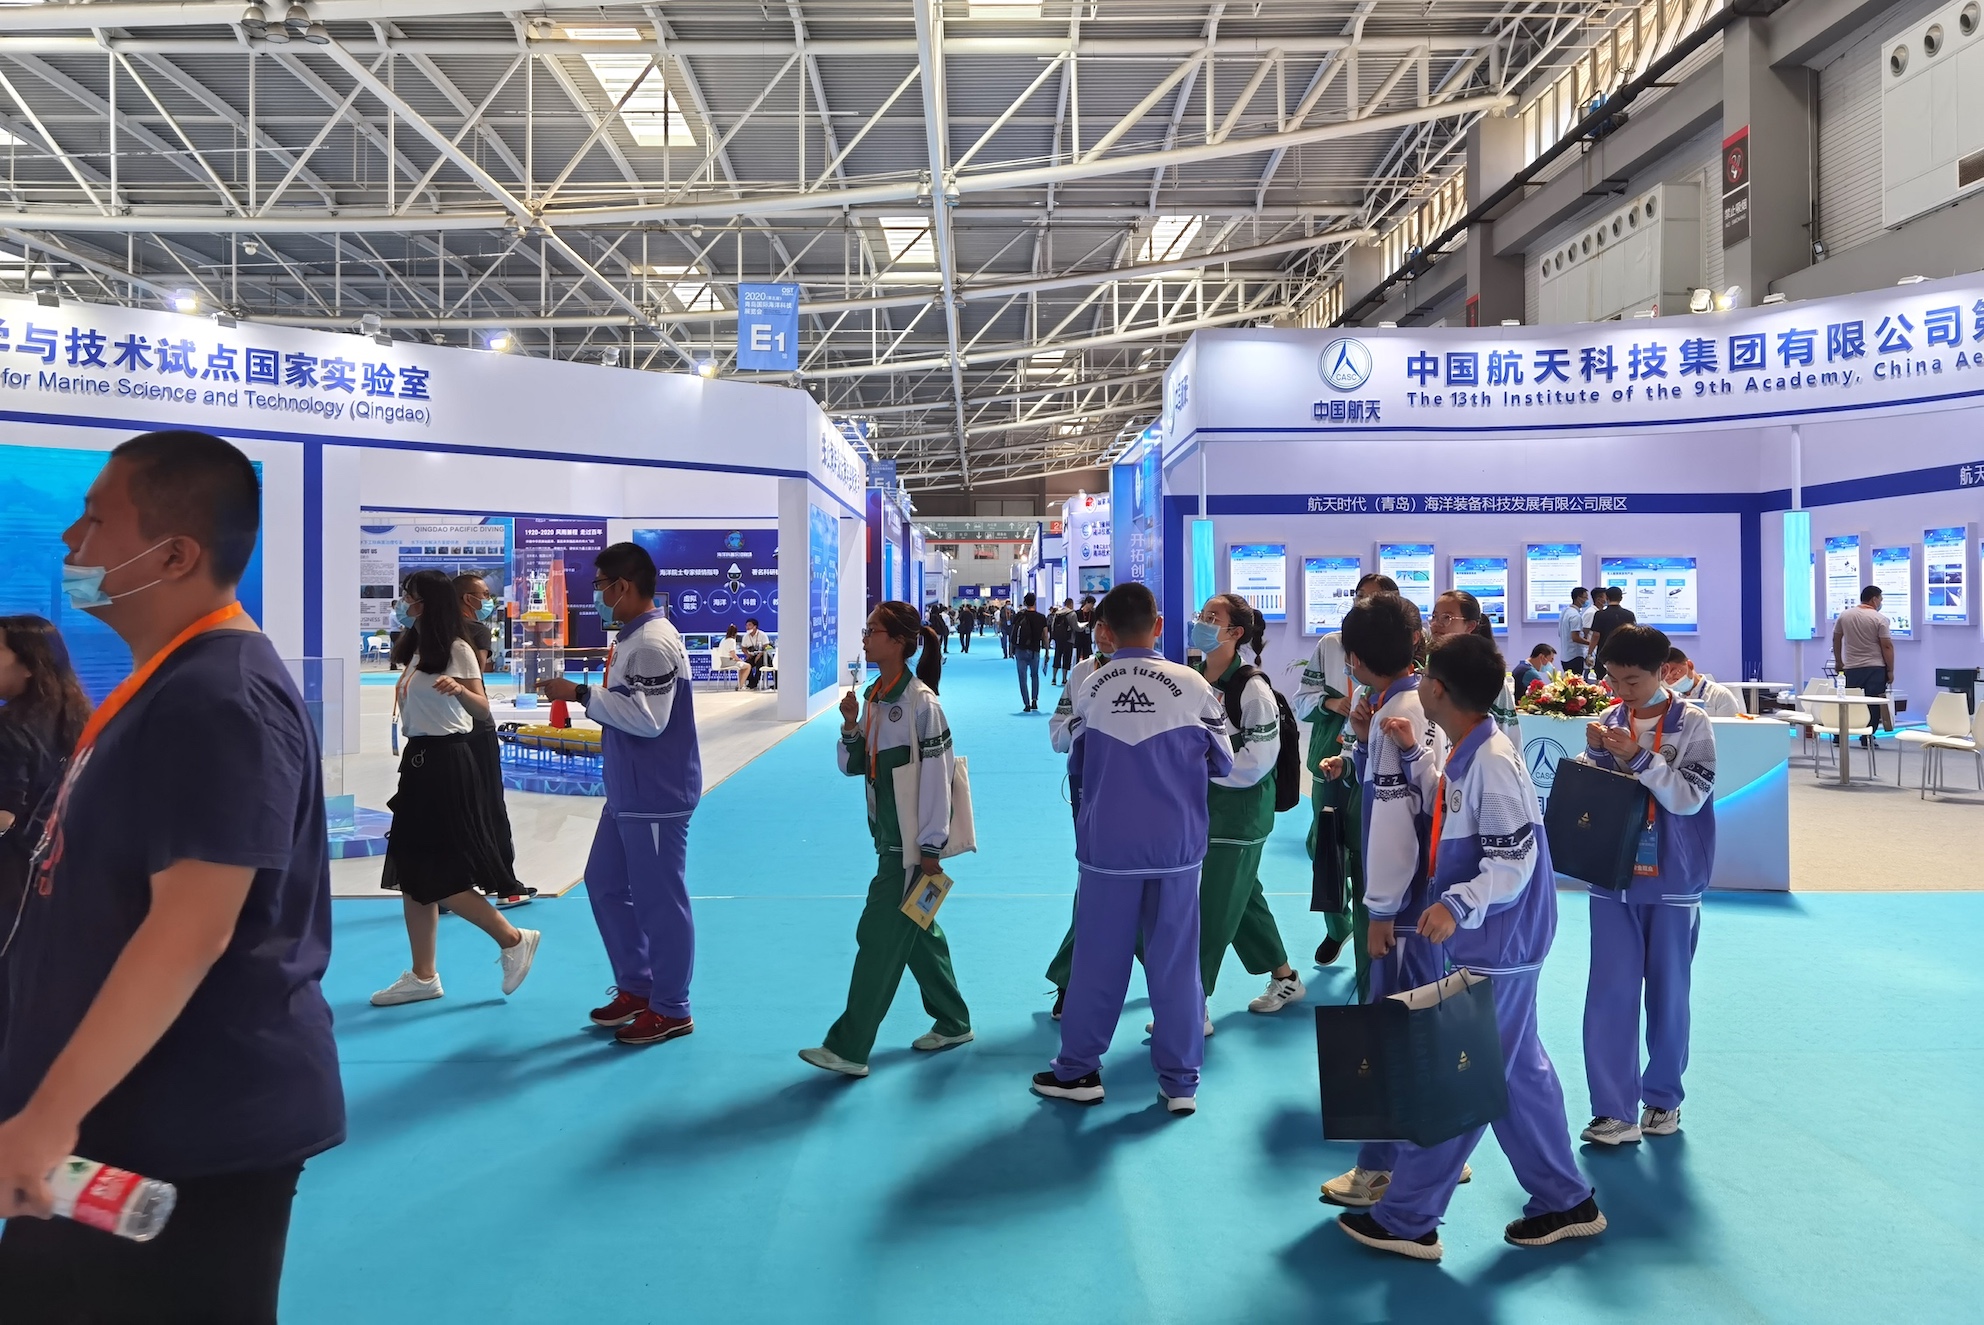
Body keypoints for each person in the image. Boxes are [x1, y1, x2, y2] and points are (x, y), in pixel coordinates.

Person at [0, 431, 344, 1320]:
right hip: (114, 1116)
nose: (70, 540)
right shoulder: (168, 685)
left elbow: (190, 928)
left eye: (95, 519)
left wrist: (50, 1113)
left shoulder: (219, 697)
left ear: (175, 555)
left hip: (183, 1129)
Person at [1337, 633, 1603, 1261]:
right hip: (1498, 938)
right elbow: (1451, 807)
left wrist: (1458, 904)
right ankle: (1566, 1199)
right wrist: (1414, 757)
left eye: (1426, 675)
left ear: (1438, 690)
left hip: (1501, 940)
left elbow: (1514, 859)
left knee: (1463, 1075)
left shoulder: (1493, 760)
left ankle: (1409, 1218)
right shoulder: (1470, 751)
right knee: (1518, 1073)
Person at [1034, 582, 1230, 1115]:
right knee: (1177, 964)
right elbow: (1225, 761)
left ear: (1103, 630)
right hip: (1177, 848)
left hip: (1108, 850)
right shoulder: (1193, 685)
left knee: (1097, 961)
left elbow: (1073, 756)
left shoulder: (1091, 687)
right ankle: (1180, 1082)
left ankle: (1078, 1070)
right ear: (1159, 626)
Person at [540, 543, 703, 1046]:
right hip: (629, 791)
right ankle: (638, 985)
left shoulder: (650, 643)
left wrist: (580, 694)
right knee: (605, 884)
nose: (596, 596)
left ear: (622, 586)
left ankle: (671, 1006)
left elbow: (649, 720)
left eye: (599, 586)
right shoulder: (634, 638)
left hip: (655, 793)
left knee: (660, 900)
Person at [800, 602, 971, 1077]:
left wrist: (931, 845)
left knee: (877, 936)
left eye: (872, 630)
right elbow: (856, 766)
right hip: (887, 838)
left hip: (908, 847)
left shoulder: (922, 704)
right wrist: (850, 725)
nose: (864, 637)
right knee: (916, 931)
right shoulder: (875, 696)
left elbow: (938, 777)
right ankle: (954, 1020)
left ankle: (848, 1046)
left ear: (897, 641)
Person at [1318, 592, 1440, 1210]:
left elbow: (1394, 825)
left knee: (1390, 1030)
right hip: (1428, 900)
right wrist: (1364, 746)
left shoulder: (1398, 715)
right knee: (1421, 1023)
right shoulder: (1422, 704)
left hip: (1403, 904)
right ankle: (1431, 1150)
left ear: (1357, 661)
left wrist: (1381, 911)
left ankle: (1380, 1169)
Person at [371, 568, 541, 1009]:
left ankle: (512, 938)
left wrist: (459, 691)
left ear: (427, 601)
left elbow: (482, 708)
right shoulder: (417, 647)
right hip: (419, 761)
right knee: (412, 872)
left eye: (409, 596)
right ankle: (423, 974)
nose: (403, 604)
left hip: (446, 764)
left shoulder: (457, 648)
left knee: (433, 872)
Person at [1578, 624, 1716, 1147]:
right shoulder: (1610, 719)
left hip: (1674, 879)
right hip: (1612, 877)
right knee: (1608, 993)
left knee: (1669, 992)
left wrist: (1638, 757)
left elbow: (1688, 798)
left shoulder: (1693, 723)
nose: (1622, 691)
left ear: (1664, 672)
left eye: (1632, 680)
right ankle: (1613, 1111)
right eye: (1613, 680)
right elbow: (1595, 796)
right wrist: (1596, 756)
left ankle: (1662, 1099)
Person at [1190, 594, 1305, 1017]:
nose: (1202, 623)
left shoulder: (1252, 688)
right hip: (1206, 807)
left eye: (1213, 617)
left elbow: (1259, 759)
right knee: (1242, 898)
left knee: (1214, 907)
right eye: (1202, 615)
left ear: (1236, 632)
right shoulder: (1193, 679)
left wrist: (1202, 771)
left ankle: (1191, 1004)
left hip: (1241, 812)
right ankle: (1285, 977)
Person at [1294, 572, 1396, 976]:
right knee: (1323, 846)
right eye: (1359, 596)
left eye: (1374, 597)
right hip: (1332, 761)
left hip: (1381, 761)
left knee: (1371, 851)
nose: (1363, 603)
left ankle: (1377, 941)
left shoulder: (1402, 649)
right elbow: (1302, 701)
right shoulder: (1331, 645)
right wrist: (1331, 704)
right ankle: (1339, 926)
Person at [0, 616, 91, 1031]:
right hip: (58, 879)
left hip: (11, 884)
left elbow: (5, 816)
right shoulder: (81, 718)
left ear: (29, 664)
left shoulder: (9, 728)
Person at [1432, 590, 1517, 738]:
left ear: (1470, 626)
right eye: (1434, 616)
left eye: (1447, 617)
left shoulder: (1487, 676)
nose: (1436, 624)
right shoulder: (1428, 670)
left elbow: (1509, 734)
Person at [1832, 586, 1895, 736]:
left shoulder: (1845, 615)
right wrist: (1890, 670)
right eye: (1880, 599)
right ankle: (1867, 737)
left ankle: (1840, 735)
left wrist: (1838, 661)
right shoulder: (1879, 619)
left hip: (1851, 667)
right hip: (1875, 668)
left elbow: (1836, 639)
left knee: (1848, 702)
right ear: (1874, 599)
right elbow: (1887, 646)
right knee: (1873, 703)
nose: (1881, 602)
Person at [1662, 648, 1741, 718]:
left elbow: (1730, 728)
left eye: (1676, 673)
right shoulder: (1669, 698)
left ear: (1690, 665)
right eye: (1667, 678)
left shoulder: (1720, 695)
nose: (1674, 680)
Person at [1011, 592, 1049, 711]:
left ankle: (1026, 704)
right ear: (1035, 602)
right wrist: (1047, 651)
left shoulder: (1019, 616)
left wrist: (1011, 649)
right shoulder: (1041, 617)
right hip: (1035, 650)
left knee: (1022, 677)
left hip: (1020, 650)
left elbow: (1013, 632)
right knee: (1034, 675)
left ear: (1024, 602)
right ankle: (1034, 700)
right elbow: (1045, 636)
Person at [1588, 586, 1635, 663]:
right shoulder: (1629, 615)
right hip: (1624, 653)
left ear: (1607, 598)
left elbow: (1596, 635)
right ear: (1621, 598)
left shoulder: (1600, 614)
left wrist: (1589, 654)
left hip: (1604, 653)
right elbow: (1633, 635)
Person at [1558, 588, 1593, 678]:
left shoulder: (1565, 612)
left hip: (1565, 656)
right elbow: (1575, 637)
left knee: (1569, 681)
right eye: (1585, 597)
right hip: (1575, 656)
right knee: (1576, 683)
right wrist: (1591, 643)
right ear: (1578, 598)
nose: (1587, 600)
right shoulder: (1575, 616)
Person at [1048, 598, 1077, 687]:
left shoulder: (1057, 613)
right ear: (1071, 604)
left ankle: (1054, 678)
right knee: (1066, 658)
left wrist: (1054, 636)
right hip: (1069, 639)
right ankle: (1064, 679)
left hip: (1059, 639)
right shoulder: (1072, 614)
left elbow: (1053, 626)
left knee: (1057, 657)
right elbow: (1075, 627)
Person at [739, 617, 772, 689]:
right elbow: (743, 648)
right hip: (752, 655)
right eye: (746, 625)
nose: (747, 627)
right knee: (746, 665)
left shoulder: (762, 634)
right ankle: (751, 682)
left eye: (749, 625)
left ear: (755, 626)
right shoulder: (746, 636)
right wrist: (747, 654)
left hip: (763, 655)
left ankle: (756, 681)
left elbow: (766, 646)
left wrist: (759, 655)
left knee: (759, 663)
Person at [1073, 595, 1096, 664]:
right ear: (1087, 603)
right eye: (1091, 604)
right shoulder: (1077, 613)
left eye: (1093, 604)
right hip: (1078, 637)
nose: (1092, 606)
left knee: (1086, 658)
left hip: (1087, 638)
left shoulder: (1093, 614)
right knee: (1077, 657)